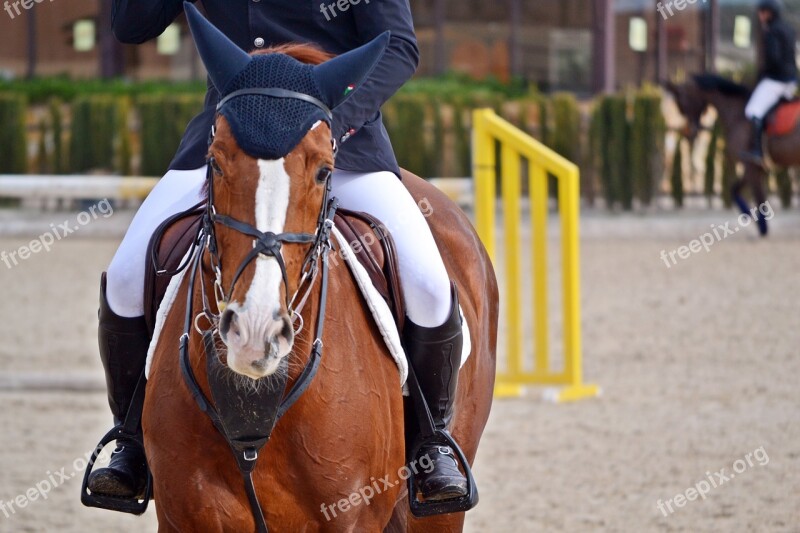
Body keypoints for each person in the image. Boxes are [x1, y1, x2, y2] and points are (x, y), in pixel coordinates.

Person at [87, 0, 470, 510]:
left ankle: (431, 442)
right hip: (231, 146)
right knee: (127, 277)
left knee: (427, 282)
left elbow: (398, 46)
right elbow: (131, 26)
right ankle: (130, 442)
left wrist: (330, 124)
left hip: (332, 142)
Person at [742, 0, 798, 164]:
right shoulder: (788, 29)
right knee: (771, 108)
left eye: (762, 12)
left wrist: (761, 75)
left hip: (776, 80)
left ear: (769, 13)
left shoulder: (771, 31)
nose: (760, 15)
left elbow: (773, 60)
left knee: (753, 111)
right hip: (791, 81)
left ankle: (758, 151)